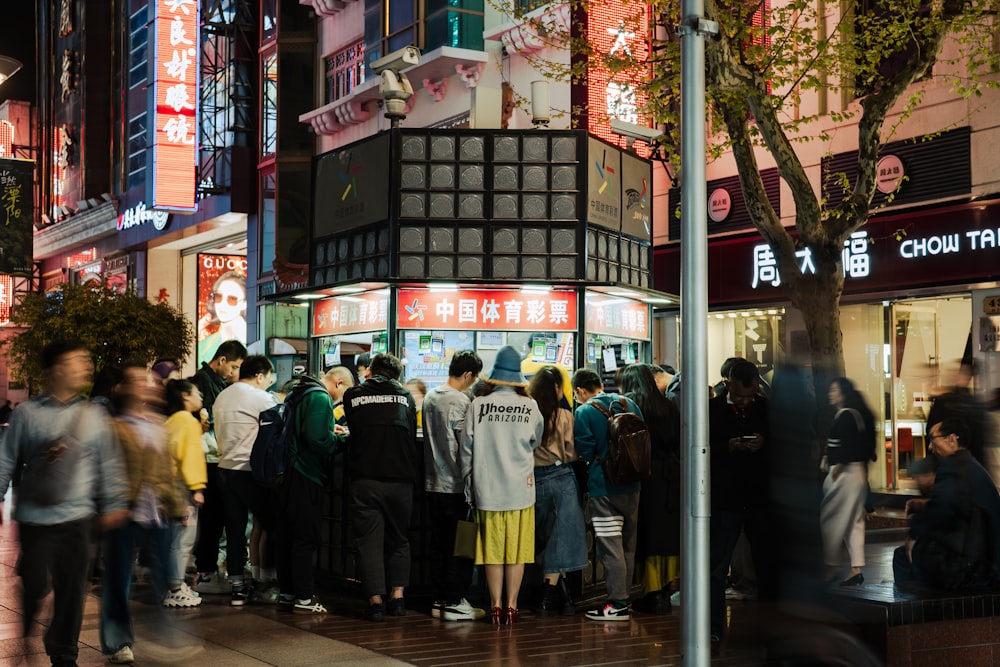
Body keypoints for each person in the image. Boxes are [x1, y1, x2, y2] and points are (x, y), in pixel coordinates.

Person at [0, 341, 129, 667]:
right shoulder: (27, 413)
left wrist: (114, 502)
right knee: (36, 584)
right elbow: (5, 459)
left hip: (77, 517)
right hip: (35, 518)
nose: (85, 367)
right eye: (77, 361)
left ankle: (63, 652)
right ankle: (30, 621)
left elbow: (109, 462)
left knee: (71, 590)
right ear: (56, 370)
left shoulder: (94, 415)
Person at [101, 364, 187, 664]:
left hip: (156, 513)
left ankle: (162, 634)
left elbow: (168, 471)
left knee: (161, 574)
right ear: (123, 389)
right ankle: (117, 642)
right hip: (123, 513)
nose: (147, 385)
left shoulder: (157, 423)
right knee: (118, 580)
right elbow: (105, 471)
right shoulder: (114, 427)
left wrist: (177, 505)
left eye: (149, 380)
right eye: (138, 380)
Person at [462, 346, 544, 624]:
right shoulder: (531, 407)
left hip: (487, 489)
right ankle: (512, 606)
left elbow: (466, 450)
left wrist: (468, 484)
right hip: (521, 488)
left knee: (493, 550)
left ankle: (495, 607)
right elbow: (536, 442)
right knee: (517, 551)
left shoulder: (477, 405)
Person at [344, 353, 419, 621]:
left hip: (365, 479)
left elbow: (353, 427)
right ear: (397, 376)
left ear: (371, 371)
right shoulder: (406, 397)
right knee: (399, 539)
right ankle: (397, 599)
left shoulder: (353, 396)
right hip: (400, 479)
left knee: (369, 542)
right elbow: (409, 431)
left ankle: (375, 603)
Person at [708, 359, 773, 645]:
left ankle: (772, 630)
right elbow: (702, 449)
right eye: (740, 396)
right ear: (729, 385)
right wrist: (728, 447)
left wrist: (764, 443)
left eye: (750, 396)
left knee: (768, 564)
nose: (746, 402)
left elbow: (781, 448)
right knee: (717, 568)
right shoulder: (711, 410)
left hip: (760, 498)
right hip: (726, 498)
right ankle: (712, 629)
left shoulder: (766, 409)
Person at [572, 367, 644, 622]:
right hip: (633, 486)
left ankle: (617, 603)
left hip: (604, 489)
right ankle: (624, 598)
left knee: (610, 546)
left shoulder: (584, 412)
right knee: (627, 545)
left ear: (580, 390)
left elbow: (585, 451)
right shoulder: (629, 403)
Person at [894, 417, 1000, 589]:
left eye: (932, 439)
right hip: (983, 561)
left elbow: (942, 508)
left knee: (903, 555)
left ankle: (912, 607)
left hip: (968, 568)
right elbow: (954, 503)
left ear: (951, 439)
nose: (930, 447)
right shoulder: (971, 465)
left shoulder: (951, 466)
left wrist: (913, 534)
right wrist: (922, 505)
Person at [275, 370, 348, 614]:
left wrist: (330, 429)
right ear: (338, 383)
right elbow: (317, 440)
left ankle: (287, 592)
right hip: (306, 474)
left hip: (287, 472)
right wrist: (343, 440)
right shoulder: (320, 397)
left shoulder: (300, 392)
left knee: (287, 535)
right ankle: (305, 597)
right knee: (304, 537)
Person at [422, 350, 486, 622]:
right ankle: (455, 601)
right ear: (469, 374)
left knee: (438, 544)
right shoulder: (461, 401)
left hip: (431, 482)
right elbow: (465, 447)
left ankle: (439, 598)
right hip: (456, 486)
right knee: (460, 546)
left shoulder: (430, 396)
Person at [212, 355, 279, 606]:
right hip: (248, 470)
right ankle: (265, 582)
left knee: (235, 530)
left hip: (224, 468)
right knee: (269, 524)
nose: (269, 385)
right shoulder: (261, 397)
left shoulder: (223, 395)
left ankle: (237, 586)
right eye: (269, 380)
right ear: (260, 376)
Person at [619, 363, 682, 613]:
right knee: (665, 535)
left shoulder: (630, 404)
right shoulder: (667, 404)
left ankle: (651, 592)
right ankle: (665, 590)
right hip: (670, 474)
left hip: (644, 475)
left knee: (646, 533)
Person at [528, 365, 587, 617]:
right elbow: (572, 451)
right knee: (560, 538)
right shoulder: (564, 417)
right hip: (560, 477)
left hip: (531, 480)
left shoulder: (529, 412)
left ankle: (560, 595)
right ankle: (548, 594)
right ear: (556, 388)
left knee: (542, 536)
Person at [191, 339, 247, 595]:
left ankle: (208, 570)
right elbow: (204, 422)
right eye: (233, 366)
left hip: (215, 458)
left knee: (215, 518)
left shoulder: (215, 383)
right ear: (222, 360)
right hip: (208, 458)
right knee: (212, 519)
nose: (233, 372)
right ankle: (206, 572)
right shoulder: (203, 382)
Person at [821, 377, 877, 586]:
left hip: (844, 474)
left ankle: (831, 566)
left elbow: (843, 446)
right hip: (858, 474)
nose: (830, 393)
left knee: (830, 521)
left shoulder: (845, 416)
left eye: (834, 390)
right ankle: (856, 568)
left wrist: (837, 466)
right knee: (854, 523)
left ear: (843, 393)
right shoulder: (860, 415)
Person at [162, 379, 207, 608]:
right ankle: (176, 588)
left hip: (170, 485)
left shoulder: (172, 421)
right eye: (197, 392)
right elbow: (190, 457)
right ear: (185, 396)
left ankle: (174, 584)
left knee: (174, 539)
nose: (200, 397)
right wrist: (197, 487)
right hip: (182, 487)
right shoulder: (186, 421)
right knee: (183, 539)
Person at [926, 360, 990, 465]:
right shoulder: (977, 405)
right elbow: (980, 442)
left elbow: (930, 431)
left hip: (946, 460)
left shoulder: (943, 401)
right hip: (971, 462)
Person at [197, 272, 248, 362]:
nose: (223, 304)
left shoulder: (252, 344)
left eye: (232, 299)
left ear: (244, 304)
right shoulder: (203, 347)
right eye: (218, 297)